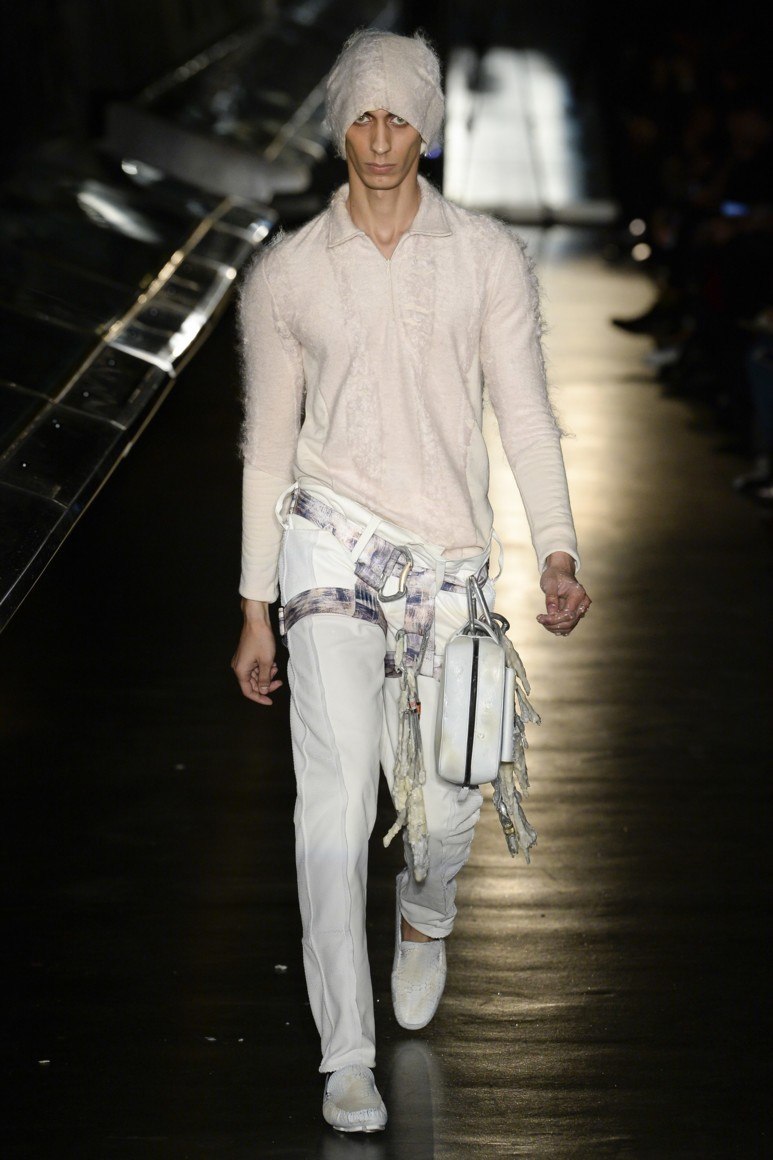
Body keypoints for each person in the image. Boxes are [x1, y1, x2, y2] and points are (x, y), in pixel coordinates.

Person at [231, 29, 590, 1134]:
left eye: (399, 118)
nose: (380, 139)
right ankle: (346, 1055)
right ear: (338, 125)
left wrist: (559, 546)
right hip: (327, 545)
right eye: (362, 116)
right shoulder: (287, 275)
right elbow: (267, 449)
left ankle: (426, 910)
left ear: (427, 127)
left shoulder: (485, 258)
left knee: (444, 804)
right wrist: (254, 603)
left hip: (447, 561)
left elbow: (523, 412)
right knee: (335, 804)